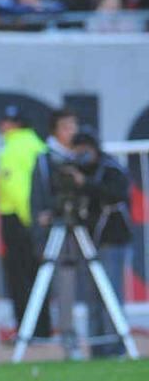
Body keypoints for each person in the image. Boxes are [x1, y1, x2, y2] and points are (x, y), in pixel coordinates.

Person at [70, 130, 132, 359]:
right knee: (91, 297)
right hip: (88, 239)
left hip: (111, 239)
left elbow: (116, 194)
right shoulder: (77, 170)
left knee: (111, 295)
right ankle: (97, 349)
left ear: (94, 147)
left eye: (84, 148)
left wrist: (85, 183)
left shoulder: (111, 169)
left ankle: (116, 347)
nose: (80, 154)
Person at [29, 108, 84, 359]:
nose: (71, 132)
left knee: (93, 284)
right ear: (54, 130)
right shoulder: (44, 160)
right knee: (64, 283)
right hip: (57, 230)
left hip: (84, 226)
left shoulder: (84, 156)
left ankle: (104, 340)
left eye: (74, 126)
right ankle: (68, 337)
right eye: (66, 127)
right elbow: (37, 198)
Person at [0, 105, 49, 339]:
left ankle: (28, 332)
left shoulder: (13, 147)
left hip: (19, 220)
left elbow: (17, 189)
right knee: (40, 276)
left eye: (6, 121)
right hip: (40, 218)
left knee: (20, 278)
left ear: (16, 124)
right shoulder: (38, 144)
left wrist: (29, 222)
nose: (2, 126)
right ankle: (42, 328)